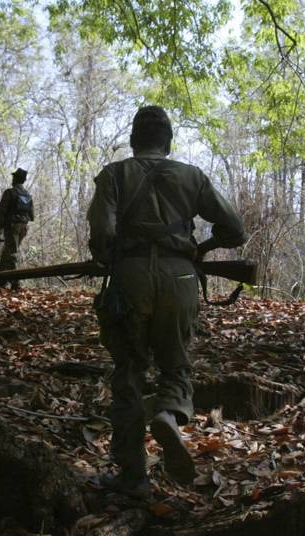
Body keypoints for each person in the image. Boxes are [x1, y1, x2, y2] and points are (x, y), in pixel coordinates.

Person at [86, 105, 248, 499]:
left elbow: (101, 233)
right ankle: (168, 412)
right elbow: (236, 230)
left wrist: (110, 255)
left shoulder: (115, 174)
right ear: (168, 142)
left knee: (128, 373)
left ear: (133, 140)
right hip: (180, 278)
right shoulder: (192, 176)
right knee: (176, 364)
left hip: (131, 279)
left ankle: (133, 477)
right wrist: (201, 248)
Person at [0, 168, 34, 288]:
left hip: (12, 227)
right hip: (23, 227)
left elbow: (0, 213)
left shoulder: (9, 193)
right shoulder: (28, 195)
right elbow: (32, 216)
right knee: (8, 251)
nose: (12, 179)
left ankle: (16, 282)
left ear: (16, 179)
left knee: (12, 252)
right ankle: (3, 279)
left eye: (14, 177)